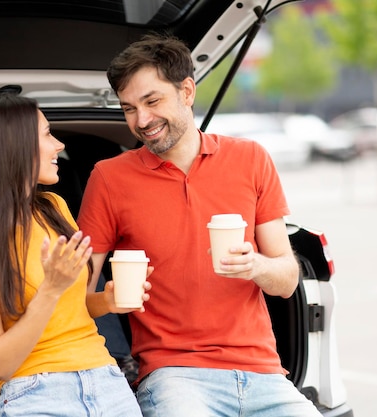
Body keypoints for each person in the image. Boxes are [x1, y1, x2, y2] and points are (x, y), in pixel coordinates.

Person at [77, 33, 323, 417]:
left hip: (263, 373)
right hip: (174, 376)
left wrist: (256, 265)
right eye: (128, 108)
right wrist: (107, 300)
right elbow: (76, 295)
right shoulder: (109, 178)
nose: (142, 120)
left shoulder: (251, 159)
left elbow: (287, 280)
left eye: (152, 101)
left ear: (187, 91)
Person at [0, 92, 143, 417]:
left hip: (107, 381)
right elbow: (0, 363)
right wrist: (50, 289)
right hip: (38, 392)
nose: (58, 145)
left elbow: (72, 309)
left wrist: (106, 303)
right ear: (14, 147)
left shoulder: (54, 207)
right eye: (47, 133)